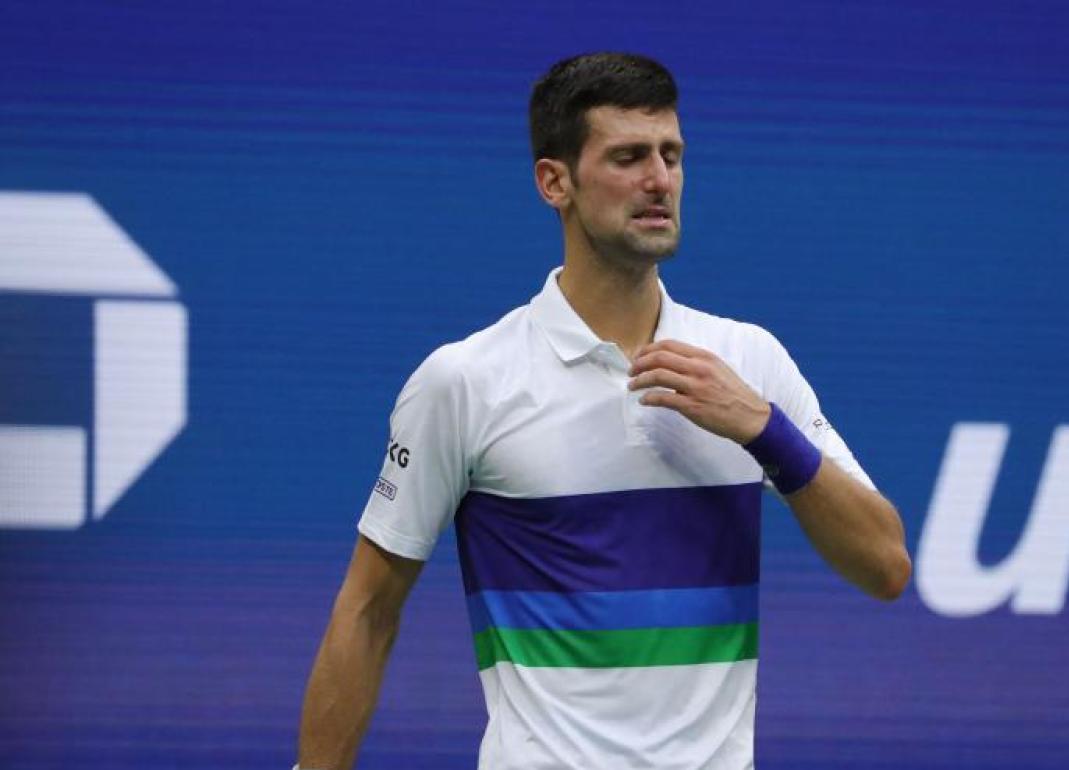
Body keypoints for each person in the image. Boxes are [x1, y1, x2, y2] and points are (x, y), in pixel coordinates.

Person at [296, 52, 911, 770]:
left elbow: (886, 566)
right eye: (628, 157)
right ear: (554, 182)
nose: (660, 180)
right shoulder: (465, 381)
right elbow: (368, 610)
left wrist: (764, 430)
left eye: (671, 155)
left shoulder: (749, 362)